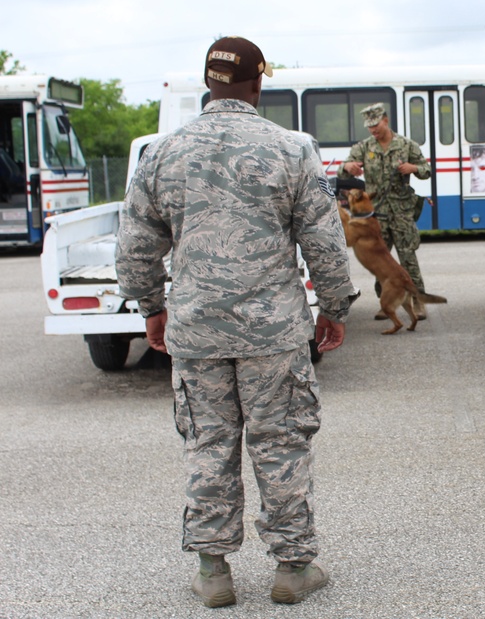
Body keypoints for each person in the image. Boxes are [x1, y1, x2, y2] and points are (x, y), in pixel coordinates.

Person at [115, 36, 359, 608]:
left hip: (197, 330)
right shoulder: (292, 149)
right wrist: (334, 308)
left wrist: (152, 308)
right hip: (273, 332)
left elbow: (135, 246)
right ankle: (293, 568)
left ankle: (213, 570)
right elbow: (324, 240)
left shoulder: (163, 153)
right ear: (258, 83)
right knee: (281, 442)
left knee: (207, 444)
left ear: (209, 83)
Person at [338, 103, 433, 319]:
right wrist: (347, 168)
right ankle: (386, 303)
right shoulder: (363, 147)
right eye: (369, 127)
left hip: (401, 212)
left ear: (386, 121)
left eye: (376, 125)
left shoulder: (406, 145)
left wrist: (413, 169)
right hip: (375, 215)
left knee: (408, 258)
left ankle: (418, 302)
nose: (373, 130)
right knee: (380, 261)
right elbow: (343, 171)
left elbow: (426, 170)